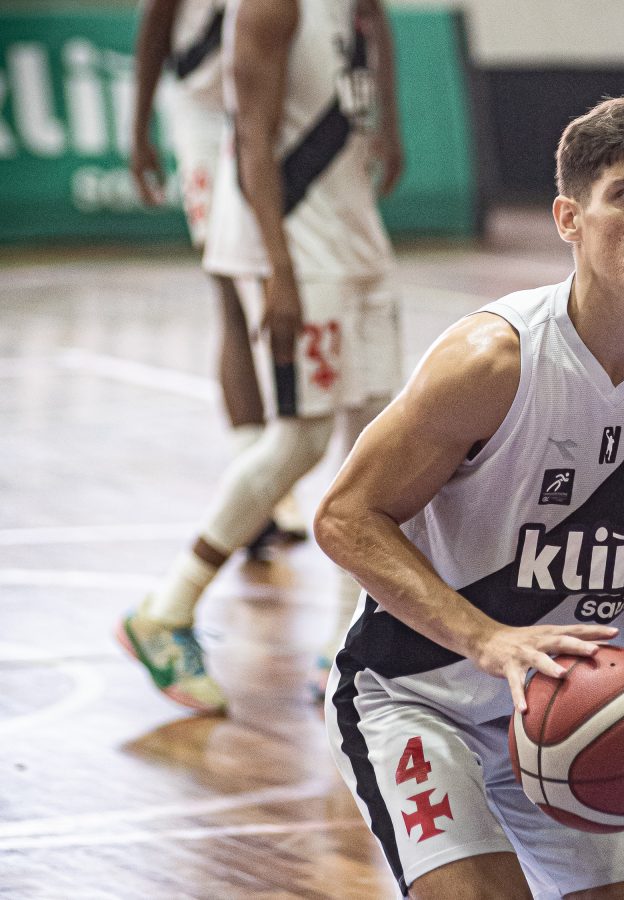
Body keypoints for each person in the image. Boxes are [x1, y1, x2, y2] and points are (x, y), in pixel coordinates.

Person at [314, 92, 624, 899]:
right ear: (568, 219)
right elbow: (345, 517)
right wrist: (485, 640)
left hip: (568, 710)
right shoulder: (492, 362)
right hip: (419, 697)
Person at [117, 0, 406, 714]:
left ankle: (345, 642)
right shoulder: (271, 6)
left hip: (352, 230)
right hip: (297, 246)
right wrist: (278, 273)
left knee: (378, 445)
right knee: (301, 439)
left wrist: (390, 127)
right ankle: (165, 609)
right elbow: (252, 136)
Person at [128, 0, 308, 557]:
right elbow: (156, 24)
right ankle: (255, 481)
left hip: (282, 103)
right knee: (234, 293)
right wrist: (138, 129)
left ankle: (278, 467)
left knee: (290, 285)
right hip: (206, 113)